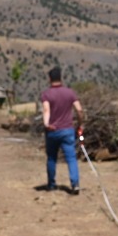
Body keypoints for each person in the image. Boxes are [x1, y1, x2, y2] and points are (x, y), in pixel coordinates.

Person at [40, 66, 84, 194]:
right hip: (67, 130)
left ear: (50, 79)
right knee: (71, 158)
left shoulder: (46, 94)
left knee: (52, 158)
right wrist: (81, 124)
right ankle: (75, 184)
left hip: (52, 131)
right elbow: (79, 109)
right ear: (61, 78)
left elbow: (46, 110)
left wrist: (46, 124)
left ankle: (51, 184)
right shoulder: (70, 93)